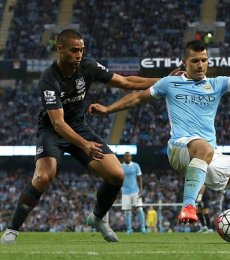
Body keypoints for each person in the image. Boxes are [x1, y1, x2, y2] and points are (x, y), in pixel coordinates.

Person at [89, 40, 230, 243]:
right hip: (180, 147)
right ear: (185, 62)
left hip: (208, 153)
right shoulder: (170, 83)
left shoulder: (216, 84)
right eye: (195, 61)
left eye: (204, 60)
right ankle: (188, 205)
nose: (201, 65)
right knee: (203, 146)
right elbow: (139, 97)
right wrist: (108, 109)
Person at [0, 29, 168, 244]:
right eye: (74, 50)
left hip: (79, 128)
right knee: (43, 177)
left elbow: (127, 83)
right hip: (52, 131)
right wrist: (85, 145)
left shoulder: (88, 66)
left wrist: (164, 81)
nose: (79, 54)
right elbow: (58, 124)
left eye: (81, 50)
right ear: (60, 49)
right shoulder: (49, 79)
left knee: (116, 175)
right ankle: (12, 229)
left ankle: (98, 218)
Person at [121, 152, 146, 234]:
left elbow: (139, 178)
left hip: (135, 191)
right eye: (126, 156)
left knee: (140, 209)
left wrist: (141, 190)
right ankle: (129, 229)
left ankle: (143, 228)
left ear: (131, 157)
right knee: (127, 211)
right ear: (124, 158)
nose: (127, 157)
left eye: (128, 156)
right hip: (125, 192)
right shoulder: (121, 167)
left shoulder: (135, 165)